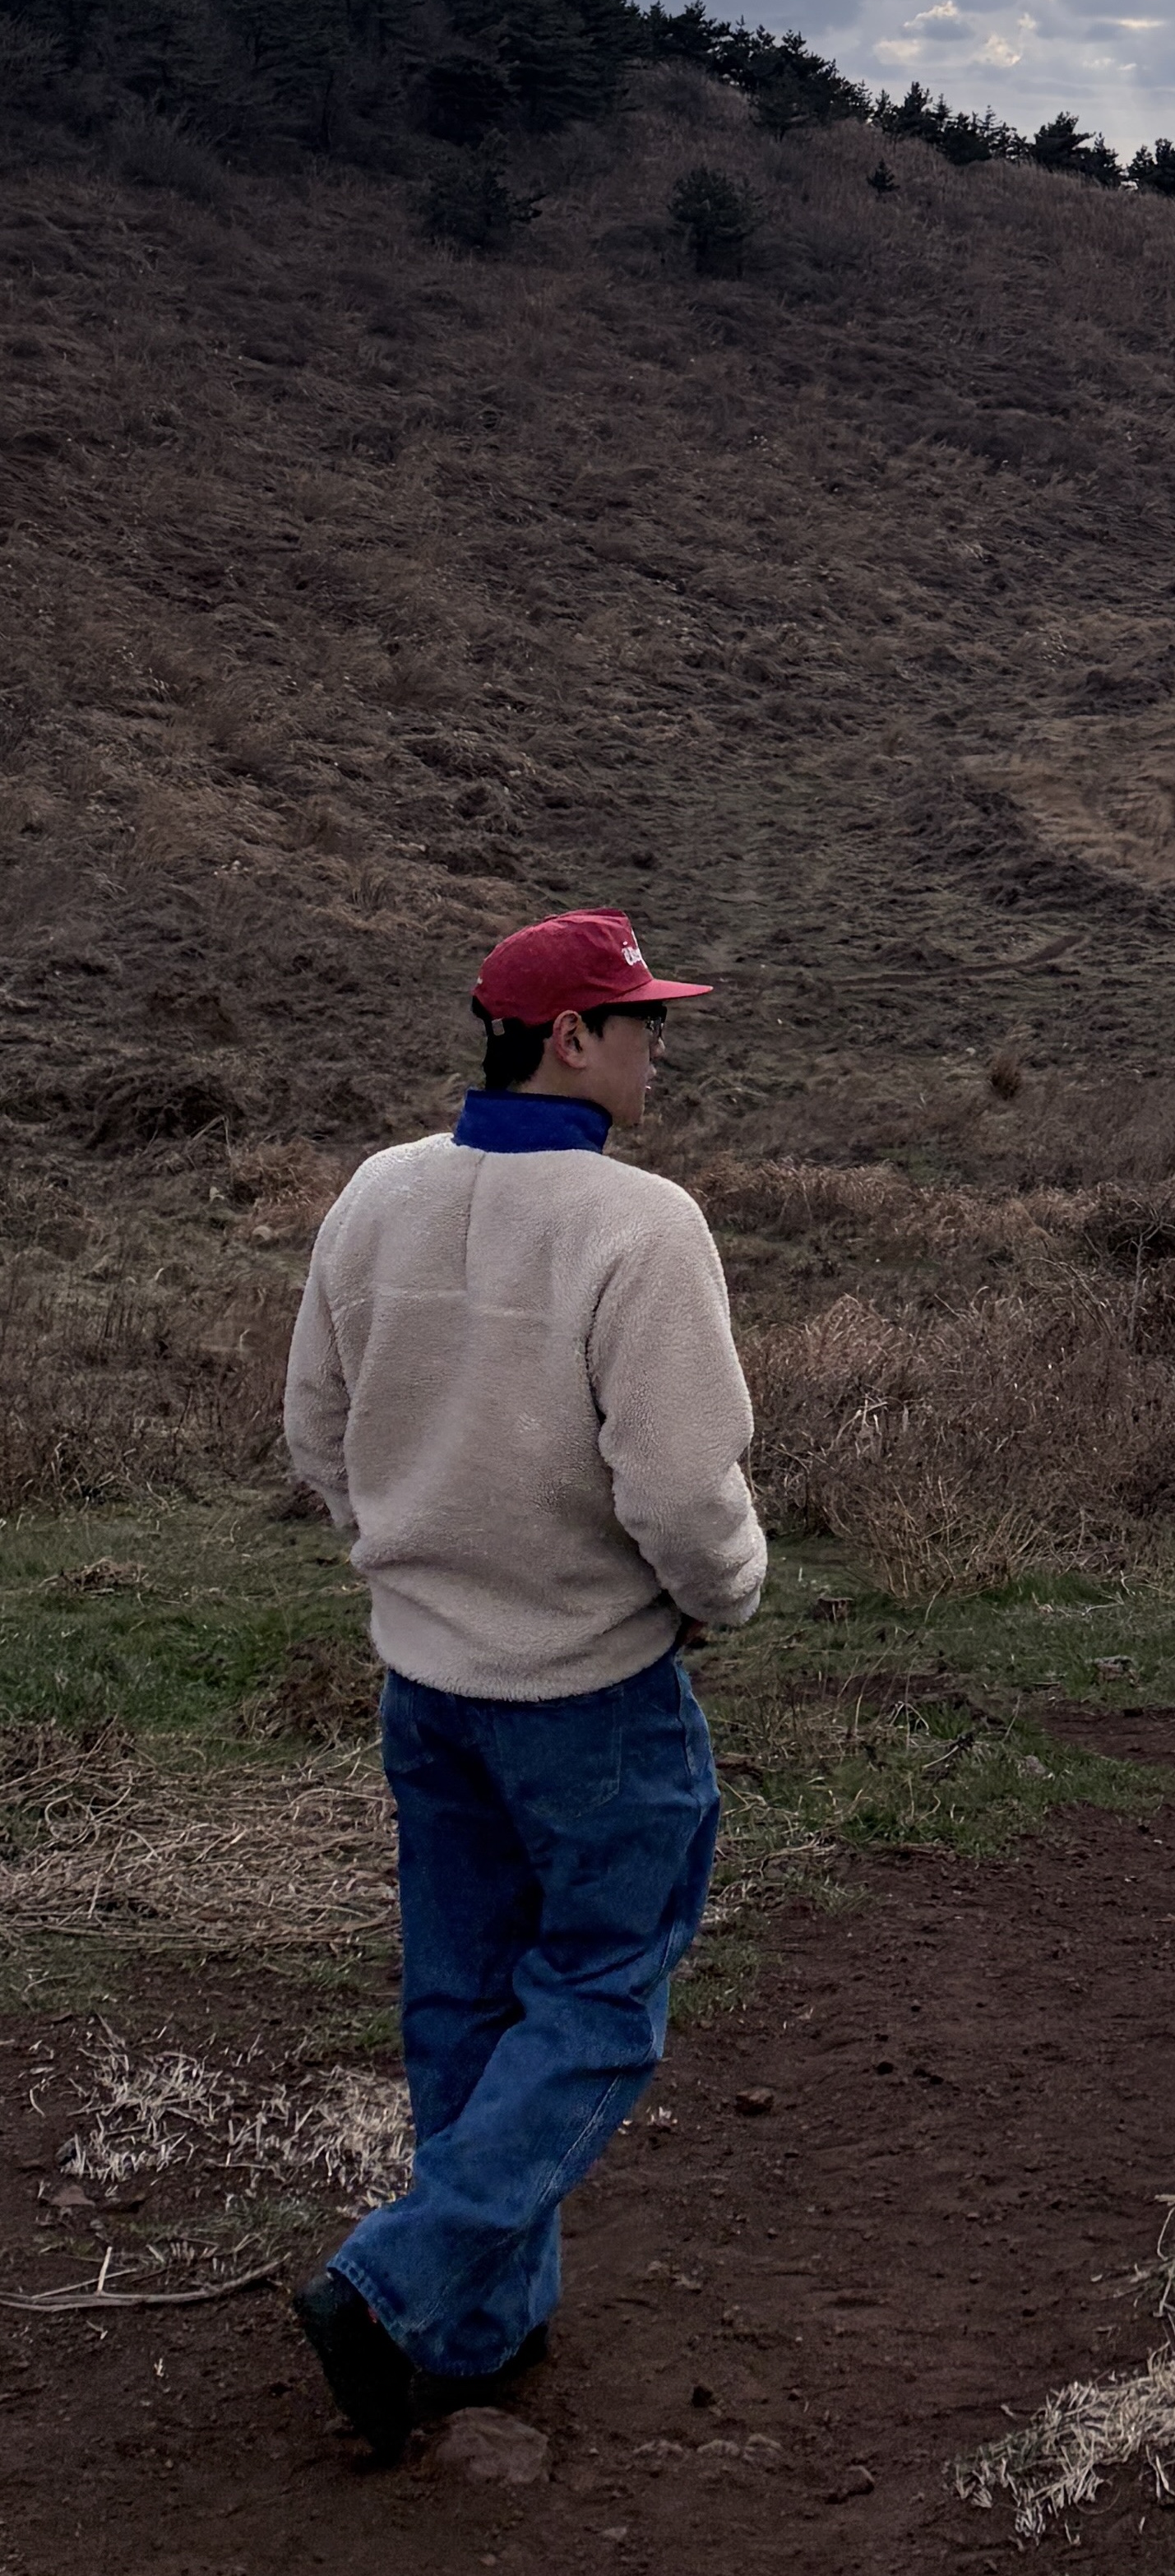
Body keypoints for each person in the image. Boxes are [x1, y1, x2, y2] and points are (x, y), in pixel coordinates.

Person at [280, 907, 766, 2460]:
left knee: (463, 1999)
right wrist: (725, 1598)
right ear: (571, 1039)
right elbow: (686, 1495)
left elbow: (317, 1427)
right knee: (604, 1995)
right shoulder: (639, 1226)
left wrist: (401, 1563)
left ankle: (477, 2329)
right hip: (593, 1693)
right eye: (641, 1023)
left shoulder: (374, 1196)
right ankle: (401, 2278)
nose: (657, 1047)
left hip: (426, 1682)